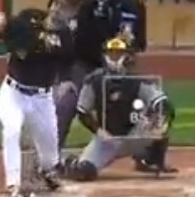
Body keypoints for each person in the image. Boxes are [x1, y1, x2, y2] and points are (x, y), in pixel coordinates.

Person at [0, 0, 82, 197]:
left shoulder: (65, 38)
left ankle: (48, 172)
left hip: (42, 98)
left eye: (64, 8)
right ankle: (13, 183)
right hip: (13, 92)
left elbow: (37, 49)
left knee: (49, 149)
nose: (57, 10)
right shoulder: (29, 17)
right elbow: (13, 36)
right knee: (11, 131)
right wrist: (0, 24)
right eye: (55, 5)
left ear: (70, 14)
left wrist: (7, 26)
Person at [63, 36, 177, 181]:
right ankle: (70, 162)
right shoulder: (94, 81)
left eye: (119, 53)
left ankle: (151, 158)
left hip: (134, 134)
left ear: (128, 56)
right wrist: (99, 131)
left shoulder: (137, 81)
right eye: (111, 53)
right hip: (107, 140)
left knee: (161, 119)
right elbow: (82, 112)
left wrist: (155, 122)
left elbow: (163, 104)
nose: (115, 57)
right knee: (84, 172)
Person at [62, 0, 145, 148]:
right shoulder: (85, 1)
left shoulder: (132, 4)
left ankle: (147, 154)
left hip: (121, 64)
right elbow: (76, 38)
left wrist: (122, 52)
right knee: (68, 102)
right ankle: (53, 156)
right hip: (86, 62)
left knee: (142, 105)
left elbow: (139, 42)